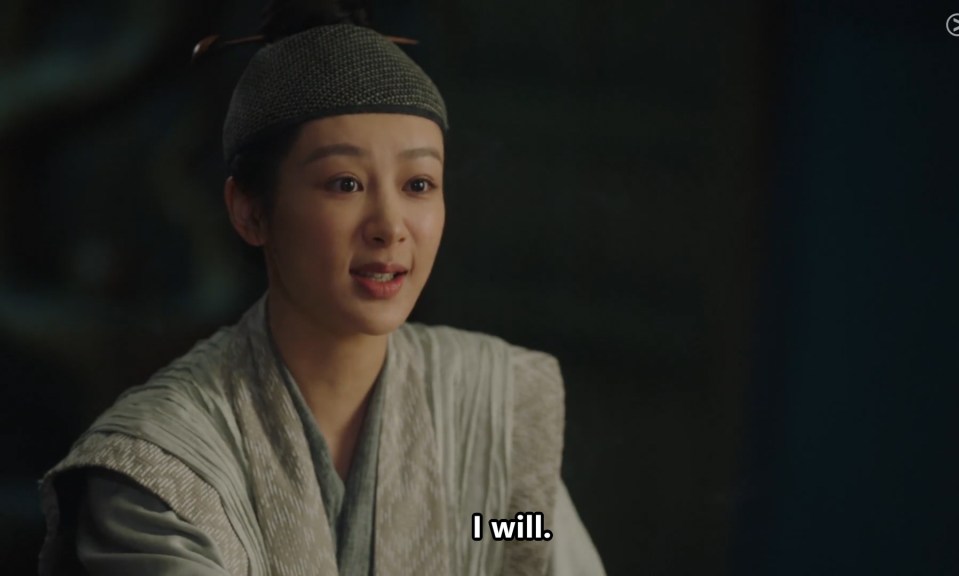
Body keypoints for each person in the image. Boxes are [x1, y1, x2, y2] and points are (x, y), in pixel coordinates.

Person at [37, 1, 604, 575]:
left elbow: (515, 534)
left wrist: (478, 527)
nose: (389, 226)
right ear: (249, 211)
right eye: (345, 183)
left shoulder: (491, 412)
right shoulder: (162, 472)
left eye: (418, 184)